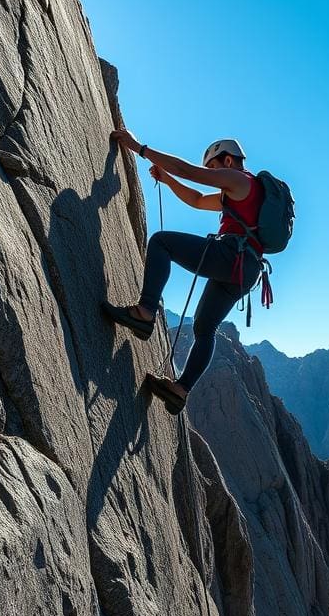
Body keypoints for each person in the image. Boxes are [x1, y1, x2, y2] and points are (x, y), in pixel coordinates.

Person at [103, 128, 264, 414]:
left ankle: (144, 313)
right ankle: (180, 390)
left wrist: (139, 148)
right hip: (245, 272)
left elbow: (189, 171)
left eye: (213, 167)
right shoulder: (245, 194)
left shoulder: (238, 179)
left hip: (230, 256)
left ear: (229, 161)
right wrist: (167, 179)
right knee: (205, 328)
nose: (213, 174)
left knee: (161, 243)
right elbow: (199, 199)